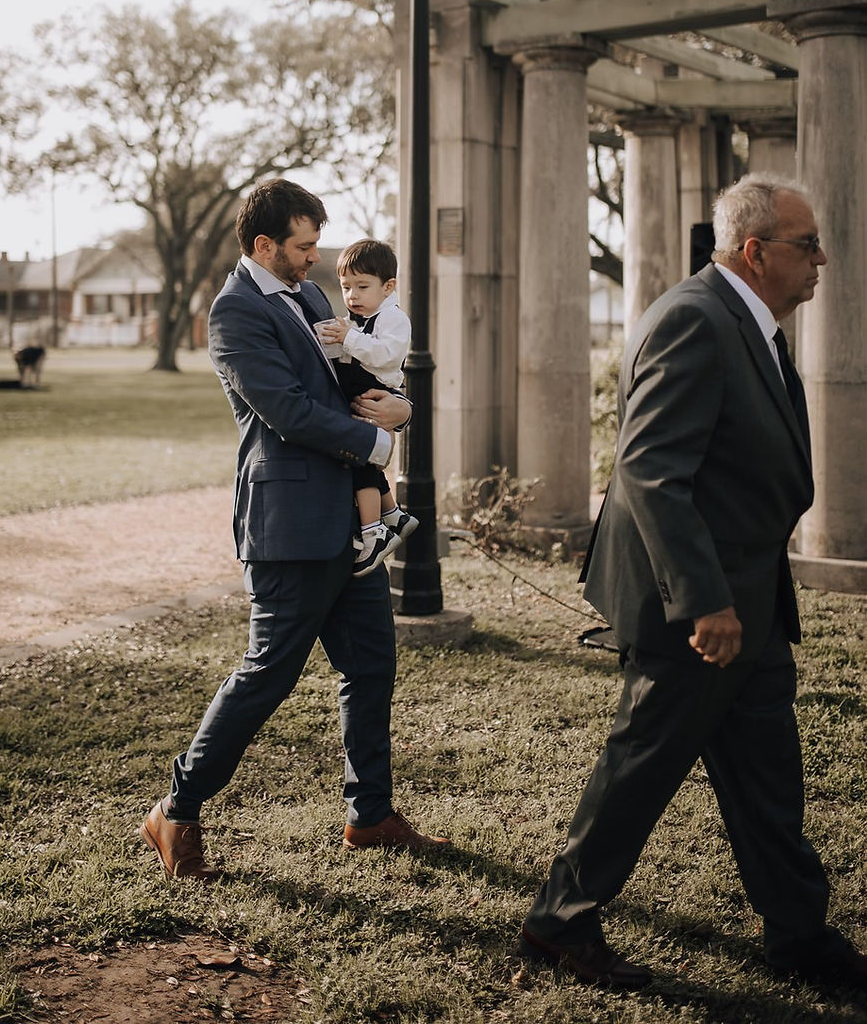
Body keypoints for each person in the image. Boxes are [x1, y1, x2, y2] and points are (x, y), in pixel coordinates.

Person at [520, 173, 867, 992]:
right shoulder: (696, 319)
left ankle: (800, 938)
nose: (823, 258)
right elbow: (650, 473)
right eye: (807, 243)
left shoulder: (754, 324)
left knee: (768, 781)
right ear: (756, 251)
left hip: (750, 601)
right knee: (638, 773)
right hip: (697, 612)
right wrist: (704, 600)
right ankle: (557, 925)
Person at [141, 179, 447, 881]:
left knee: (370, 667)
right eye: (305, 246)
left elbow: (345, 384)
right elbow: (284, 410)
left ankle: (369, 816)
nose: (317, 259)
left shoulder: (310, 298)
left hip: (349, 521)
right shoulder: (234, 315)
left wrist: (399, 409)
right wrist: (376, 447)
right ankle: (176, 811)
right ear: (265, 245)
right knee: (266, 677)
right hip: (289, 524)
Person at [316, 238, 419, 577]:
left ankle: (373, 530)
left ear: (388, 287)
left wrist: (348, 339)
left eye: (362, 286)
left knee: (360, 458)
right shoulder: (358, 318)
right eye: (346, 287)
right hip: (361, 387)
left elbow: (385, 355)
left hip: (376, 390)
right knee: (367, 461)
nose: (352, 296)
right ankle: (393, 516)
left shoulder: (393, 319)